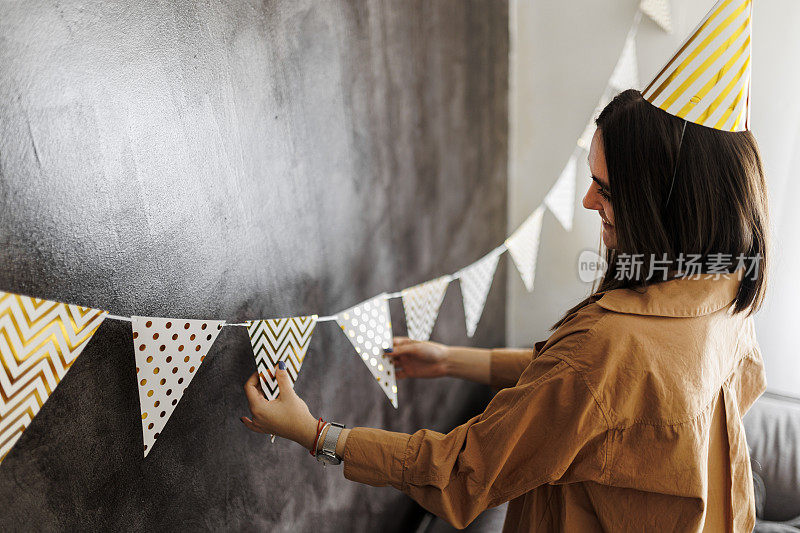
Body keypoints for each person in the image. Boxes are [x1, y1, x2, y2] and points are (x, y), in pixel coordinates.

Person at [240, 85, 770, 530]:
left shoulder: (609, 348)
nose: (588, 201)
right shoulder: (727, 286)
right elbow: (592, 399)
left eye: (606, 189)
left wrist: (313, 433)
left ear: (664, 202)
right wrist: (452, 360)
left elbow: (461, 472)